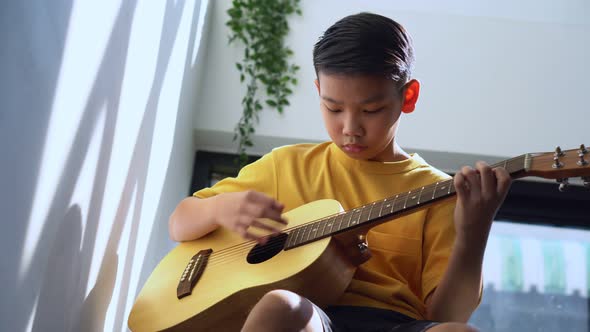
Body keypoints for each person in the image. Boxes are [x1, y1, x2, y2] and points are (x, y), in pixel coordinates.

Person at [168, 12, 511, 332]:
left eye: (371, 110)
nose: (350, 128)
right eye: (333, 108)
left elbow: (446, 316)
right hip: (310, 319)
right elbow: (180, 222)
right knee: (281, 306)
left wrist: (474, 232)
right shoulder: (288, 165)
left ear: (408, 96)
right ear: (318, 91)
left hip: (396, 323)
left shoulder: (440, 192)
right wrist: (217, 208)